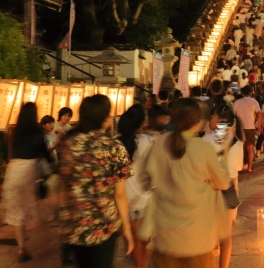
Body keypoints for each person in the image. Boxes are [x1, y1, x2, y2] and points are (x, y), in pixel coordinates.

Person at [140, 98, 230, 268]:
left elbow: (144, 180)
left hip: (165, 234)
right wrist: (223, 155)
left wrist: (161, 185)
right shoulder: (203, 149)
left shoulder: (159, 143)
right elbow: (223, 183)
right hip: (197, 234)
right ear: (198, 122)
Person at [58, 95, 134, 268]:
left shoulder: (69, 144)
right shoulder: (114, 147)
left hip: (75, 222)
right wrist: (127, 228)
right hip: (103, 224)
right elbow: (120, 194)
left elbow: (64, 185)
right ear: (105, 119)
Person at [3, 102, 54, 263]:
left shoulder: (16, 131)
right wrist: (52, 168)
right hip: (29, 171)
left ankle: (21, 248)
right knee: (40, 208)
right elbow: (45, 154)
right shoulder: (38, 131)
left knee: (18, 213)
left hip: (13, 171)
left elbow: (9, 151)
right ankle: (48, 241)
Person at [202, 104, 244, 268]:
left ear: (221, 120)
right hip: (228, 191)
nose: (208, 121)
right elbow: (234, 174)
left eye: (211, 117)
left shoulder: (205, 140)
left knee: (208, 236)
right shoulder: (236, 142)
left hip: (208, 191)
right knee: (226, 237)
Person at [117, 104, 154, 268]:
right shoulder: (148, 141)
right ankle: (142, 265)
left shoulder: (115, 142)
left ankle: (139, 265)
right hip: (145, 197)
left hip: (123, 198)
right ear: (142, 122)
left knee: (132, 239)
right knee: (146, 239)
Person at [233, 85, 261, 172]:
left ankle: (241, 165)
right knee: (250, 147)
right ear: (251, 92)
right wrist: (258, 125)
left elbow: (233, 114)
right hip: (250, 126)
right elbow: (259, 114)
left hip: (240, 127)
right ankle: (249, 167)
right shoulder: (254, 102)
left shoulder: (237, 102)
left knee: (241, 147)